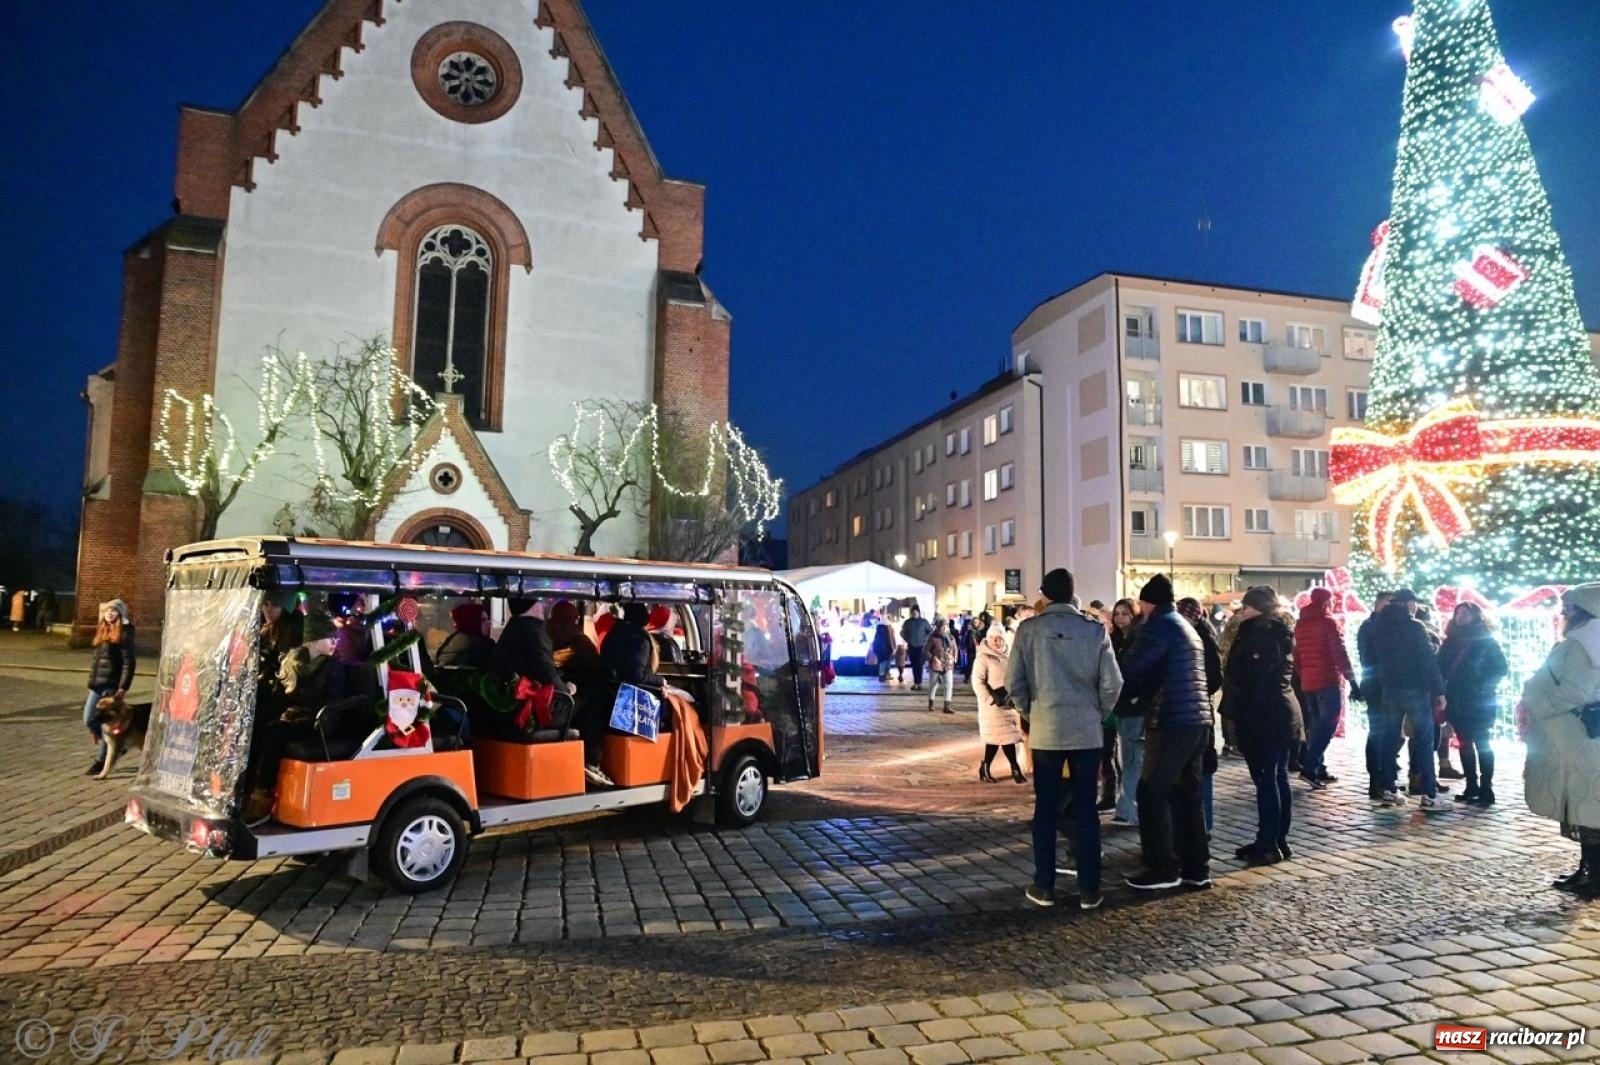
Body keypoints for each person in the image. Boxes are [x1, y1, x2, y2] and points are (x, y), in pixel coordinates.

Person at [1007, 568, 1121, 910]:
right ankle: (1089, 889)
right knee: (1086, 809)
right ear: (1073, 593)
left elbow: (1015, 683)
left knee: (1046, 808)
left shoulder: (1029, 630)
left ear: (1044, 594)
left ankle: (1044, 886)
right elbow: (1112, 683)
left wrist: (1032, 713)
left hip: (1046, 730)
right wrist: (1096, 711)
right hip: (1085, 730)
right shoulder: (1095, 630)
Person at [1116, 574, 1213, 891]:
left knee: (1151, 792)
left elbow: (1129, 670)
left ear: (1148, 602)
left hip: (1172, 719)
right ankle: (1196, 868)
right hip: (1197, 720)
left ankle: (1162, 868)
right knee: (1186, 793)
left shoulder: (1157, 627)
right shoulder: (1184, 625)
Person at [1523, 583, 1600, 898]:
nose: (1563, 612)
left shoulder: (1583, 644)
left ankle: (1593, 875)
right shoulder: (1586, 641)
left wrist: (1539, 704)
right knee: (1587, 806)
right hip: (1581, 739)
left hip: (1579, 738)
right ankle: (1588, 870)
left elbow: (1576, 691)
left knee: (1587, 806)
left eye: (1568, 608)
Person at [1223, 586, 1303, 866]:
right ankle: (1275, 839)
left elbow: (1254, 682)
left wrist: (1244, 719)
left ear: (1257, 607)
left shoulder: (1261, 636)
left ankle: (1269, 844)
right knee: (1277, 777)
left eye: (1246, 606)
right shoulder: (1274, 631)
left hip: (1265, 716)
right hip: (1280, 712)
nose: (1241, 611)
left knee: (1268, 779)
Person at [243, 612, 347, 825]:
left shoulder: (333, 667)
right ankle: (246, 791)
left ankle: (262, 799)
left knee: (273, 734)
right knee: (258, 731)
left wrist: (305, 717)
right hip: (296, 718)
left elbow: (334, 703)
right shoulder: (293, 663)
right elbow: (280, 698)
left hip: (317, 722)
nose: (335, 643)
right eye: (330, 638)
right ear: (314, 639)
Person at [1364, 588, 1448, 812]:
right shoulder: (1414, 627)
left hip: (1390, 688)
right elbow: (1426, 660)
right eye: (1414, 603)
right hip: (1415, 689)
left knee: (1389, 740)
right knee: (1424, 740)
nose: (1416, 607)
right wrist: (1439, 691)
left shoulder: (1379, 626)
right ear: (1407, 603)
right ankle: (1429, 794)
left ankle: (1389, 788)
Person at [1438, 602, 1508, 807]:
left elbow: (1500, 668)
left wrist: (1483, 686)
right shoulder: (1450, 642)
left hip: (1479, 699)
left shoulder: (1486, 642)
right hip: (1458, 699)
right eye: (1458, 613)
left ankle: (1487, 787)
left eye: (1466, 613)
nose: (1461, 616)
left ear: (1476, 616)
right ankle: (1471, 785)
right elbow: (1441, 667)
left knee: (1482, 742)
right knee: (1464, 742)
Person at [1292, 587, 1359, 789]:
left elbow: (1296, 656)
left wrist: (1304, 675)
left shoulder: (1301, 624)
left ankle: (1318, 767)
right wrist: (1352, 680)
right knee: (1328, 725)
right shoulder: (1328, 623)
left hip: (1308, 683)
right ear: (1326, 602)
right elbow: (1339, 653)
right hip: (1327, 681)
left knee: (1315, 725)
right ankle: (1310, 768)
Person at [547, 600, 618, 786]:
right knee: (596, 703)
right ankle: (592, 760)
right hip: (559, 698)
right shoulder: (578, 640)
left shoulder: (546, 634)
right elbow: (598, 668)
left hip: (551, 693)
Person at [1177, 597, 1224, 832]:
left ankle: (1203, 825)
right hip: (1196, 710)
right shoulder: (1195, 636)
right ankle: (1196, 826)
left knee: (1202, 768)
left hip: (1198, 711)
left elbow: (1215, 676)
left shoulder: (1203, 638)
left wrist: (1197, 691)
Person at [84, 599, 136, 776]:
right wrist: (91, 682)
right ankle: (117, 747)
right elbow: (96, 663)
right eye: (108, 611)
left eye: (114, 611)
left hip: (111, 685)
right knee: (89, 719)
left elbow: (129, 662)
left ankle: (101, 761)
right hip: (96, 685)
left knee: (105, 724)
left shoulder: (124, 633)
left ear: (120, 614)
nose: (110, 614)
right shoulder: (102, 630)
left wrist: (123, 687)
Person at [973, 629, 1026, 783]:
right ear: (988, 639)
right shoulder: (983, 657)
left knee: (1003, 737)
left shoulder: (1011, 656)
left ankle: (986, 767)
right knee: (999, 738)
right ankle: (1014, 768)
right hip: (992, 706)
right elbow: (977, 682)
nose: (997, 642)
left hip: (1009, 703)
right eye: (993, 639)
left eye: (999, 638)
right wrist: (989, 699)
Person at [1108, 598, 1143, 826]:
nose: (1120, 617)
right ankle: (1130, 807)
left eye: (1124, 613)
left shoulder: (1138, 640)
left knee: (1132, 760)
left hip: (1134, 707)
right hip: (1120, 707)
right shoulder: (1115, 640)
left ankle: (1127, 809)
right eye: (1117, 613)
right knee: (1126, 760)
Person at [1357, 591, 1395, 798]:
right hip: (1379, 686)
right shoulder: (1374, 627)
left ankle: (1383, 778)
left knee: (1383, 732)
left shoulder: (1370, 626)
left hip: (1379, 685)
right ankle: (1378, 779)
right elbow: (1371, 656)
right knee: (1379, 732)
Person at [493, 599, 561, 689]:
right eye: (539, 601)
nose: (544, 605)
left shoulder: (515, 627)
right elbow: (546, 673)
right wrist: (566, 690)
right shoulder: (532, 632)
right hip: (532, 696)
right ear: (528, 606)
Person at [601, 602, 664, 689]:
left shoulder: (614, 633)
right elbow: (636, 676)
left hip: (608, 687)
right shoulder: (640, 641)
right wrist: (660, 680)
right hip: (629, 692)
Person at [435, 602, 495, 671]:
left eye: (488, 619)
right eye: (484, 620)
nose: (489, 624)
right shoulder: (474, 645)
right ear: (472, 621)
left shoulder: (455, 638)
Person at [925, 618, 955, 714]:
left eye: (946, 626)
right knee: (933, 685)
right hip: (936, 664)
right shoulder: (933, 638)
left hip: (948, 663)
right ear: (938, 627)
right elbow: (926, 650)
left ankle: (947, 706)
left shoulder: (951, 637)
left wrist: (954, 658)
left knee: (948, 685)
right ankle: (931, 702)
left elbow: (954, 648)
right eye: (942, 626)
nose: (944, 628)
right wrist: (932, 658)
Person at [901, 606, 932, 690]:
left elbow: (930, 631)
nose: (915, 614)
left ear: (919, 613)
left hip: (921, 647)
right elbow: (902, 632)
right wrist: (908, 639)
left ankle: (918, 682)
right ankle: (916, 682)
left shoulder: (923, 622)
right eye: (913, 613)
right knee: (914, 665)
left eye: (916, 613)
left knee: (919, 665)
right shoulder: (907, 622)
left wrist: (925, 640)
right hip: (911, 646)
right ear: (911, 613)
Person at [871, 618, 896, 683]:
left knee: (883, 662)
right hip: (886, 649)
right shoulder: (886, 630)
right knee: (885, 662)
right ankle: (883, 675)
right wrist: (892, 648)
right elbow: (890, 640)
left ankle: (883, 675)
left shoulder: (878, 631)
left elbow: (876, 641)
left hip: (882, 649)